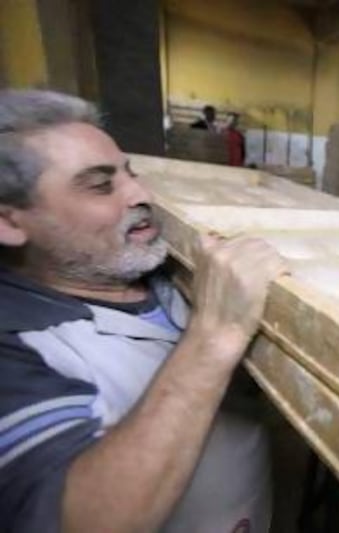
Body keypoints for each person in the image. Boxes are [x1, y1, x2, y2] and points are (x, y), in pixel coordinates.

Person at [0, 89, 286, 532]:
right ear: (9, 222)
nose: (140, 194)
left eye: (131, 173)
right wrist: (213, 335)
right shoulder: (18, 346)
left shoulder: (163, 269)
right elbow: (77, 521)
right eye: (99, 185)